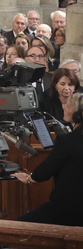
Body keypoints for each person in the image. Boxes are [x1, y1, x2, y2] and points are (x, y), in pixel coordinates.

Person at [14, 93, 83, 225]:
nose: (63, 107)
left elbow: (46, 170)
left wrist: (29, 178)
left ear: (77, 115)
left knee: (19, 225)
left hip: (68, 210)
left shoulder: (67, 141)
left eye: (67, 105)